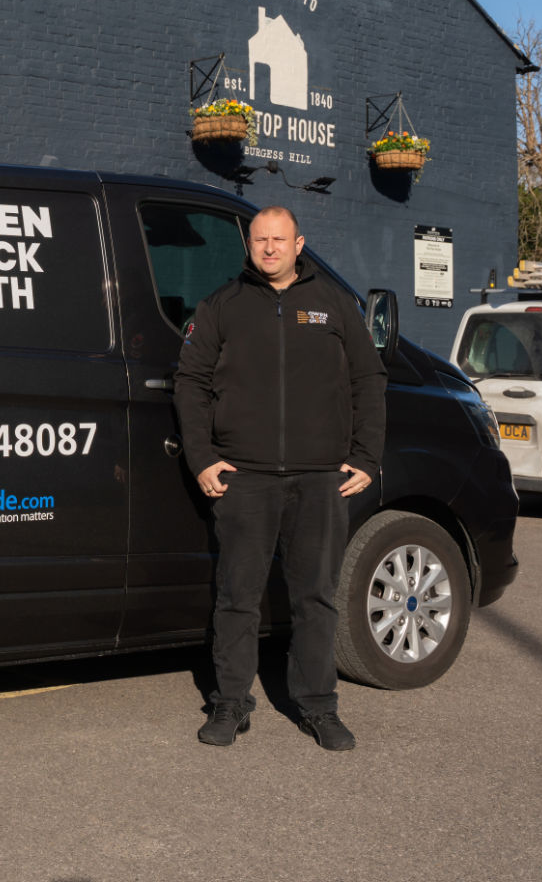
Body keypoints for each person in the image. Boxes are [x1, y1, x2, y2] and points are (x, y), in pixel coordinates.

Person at [174, 205, 386, 750]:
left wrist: (366, 457)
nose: (269, 248)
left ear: (299, 245)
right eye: (260, 240)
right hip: (245, 478)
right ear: (249, 245)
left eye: (279, 239)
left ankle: (318, 706)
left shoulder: (334, 304)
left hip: (320, 479)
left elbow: (369, 378)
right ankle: (230, 703)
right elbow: (190, 382)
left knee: (315, 598)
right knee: (237, 597)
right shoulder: (223, 305)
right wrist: (202, 458)